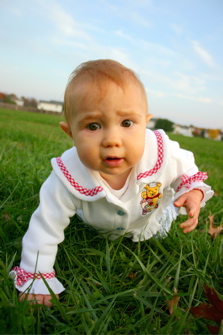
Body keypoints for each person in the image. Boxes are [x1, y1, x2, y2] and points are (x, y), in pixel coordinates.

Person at [10, 59, 213, 306]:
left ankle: (165, 215)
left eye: (127, 123)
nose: (112, 140)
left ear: (145, 122)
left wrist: (193, 192)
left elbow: (186, 170)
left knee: (164, 216)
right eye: (93, 126)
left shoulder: (160, 151)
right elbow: (45, 227)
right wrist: (37, 276)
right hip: (98, 224)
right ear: (71, 133)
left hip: (150, 218)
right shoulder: (68, 175)